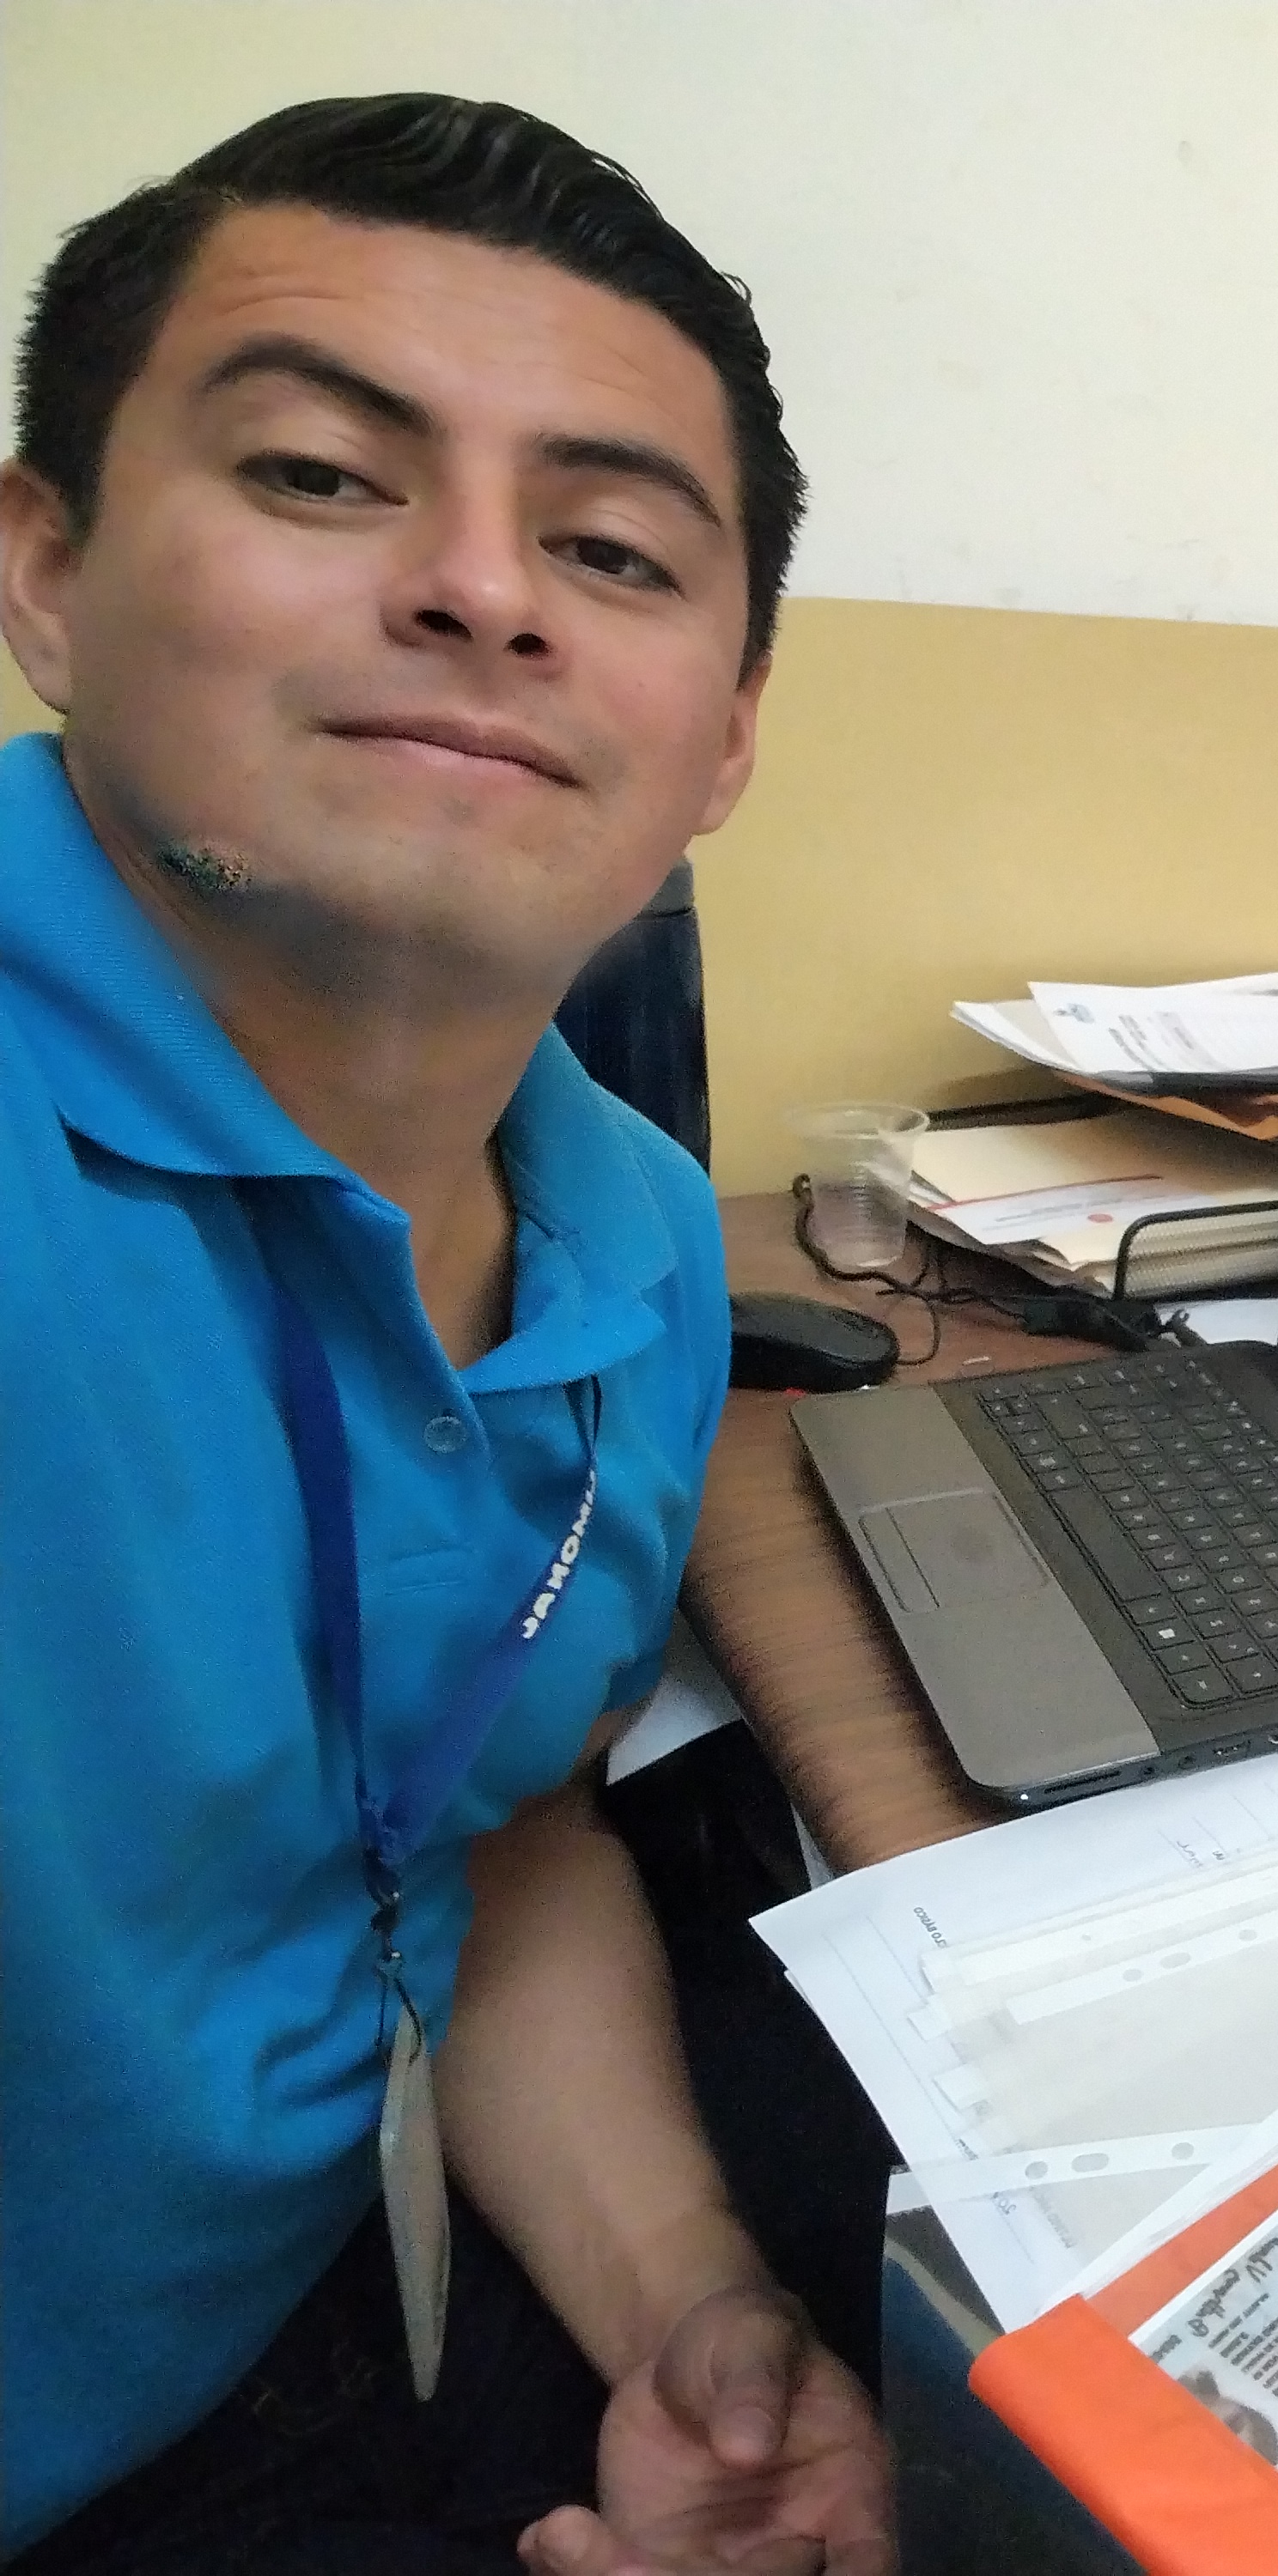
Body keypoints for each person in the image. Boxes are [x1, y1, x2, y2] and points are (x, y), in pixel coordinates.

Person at [0, 96, 894, 2572]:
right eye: (320, 475)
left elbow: (490, 1821)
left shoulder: (634, 1234)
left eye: (611, 550)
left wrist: (691, 2308)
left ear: (724, 736)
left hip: (323, 2290)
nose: (487, 592)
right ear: (47, 572)